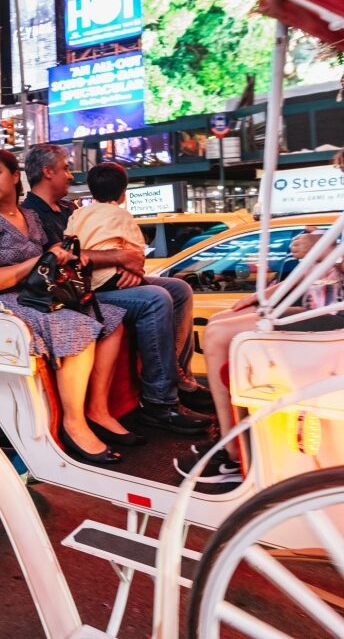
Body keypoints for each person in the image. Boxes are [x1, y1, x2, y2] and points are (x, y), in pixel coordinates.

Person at [174, 149, 344, 484]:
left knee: (221, 336)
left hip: (334, 318)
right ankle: (232, 440)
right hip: (327, 307)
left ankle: (235, 452)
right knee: (221, 323)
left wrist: (321, 251)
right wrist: (265, 293)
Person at [22, 144, 212, 434]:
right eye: (65, 169)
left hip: (102, 281)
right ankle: (160, 402)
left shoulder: (71, 210)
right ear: (48, 172)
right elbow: (66, 257)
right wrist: (121, 258)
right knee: (156, 298)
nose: (71, 176)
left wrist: (127, 266)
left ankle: (177, 375)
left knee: (179, 289)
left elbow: (110, 245)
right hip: (76, 292)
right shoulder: (32, 216)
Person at [0, 149, 129, 464]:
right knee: (74, 325)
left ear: (14, 176)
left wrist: (56, 255)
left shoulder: (31, 217)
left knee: (110, 318)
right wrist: (40, 260)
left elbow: (45, 258)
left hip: (33, 289)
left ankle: (99, 409)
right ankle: (73, 423)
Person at [65, 162, 146, 292]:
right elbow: (136, 250)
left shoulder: (77, 213)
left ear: (92, 192)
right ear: (123, 193)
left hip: (85, 279)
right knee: (160, 295)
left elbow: (68, 242)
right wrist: (135, 272)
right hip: (112, 276)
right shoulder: (122, 215)